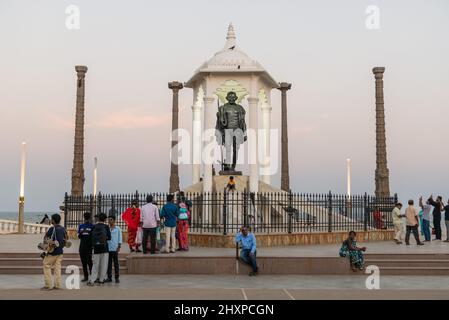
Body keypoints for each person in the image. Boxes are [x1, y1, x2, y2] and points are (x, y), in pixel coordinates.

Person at [41, 214, 67, 291]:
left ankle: (48, 285)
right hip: (60, 252)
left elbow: (45, 238)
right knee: (57, 268)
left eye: (51, 219)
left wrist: (47, 244)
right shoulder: (63, 229)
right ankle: (57, 285)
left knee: (46, 265)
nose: (51, 220)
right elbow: (66, 239)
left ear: (53, 220)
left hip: (52, 252)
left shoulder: (52, 229)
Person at [88, 213, 111, 286]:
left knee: (95, 265)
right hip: (104, 248)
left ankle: (92, 280)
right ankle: (101, 280)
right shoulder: (106, 226)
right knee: (103, 265)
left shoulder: (94, 226)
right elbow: (109, 237)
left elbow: (90, 237)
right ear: (105, 219)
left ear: (98, 219)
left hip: (96, 248)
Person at [77, 211, 94, 282]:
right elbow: (79, 236)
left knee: (89, 262)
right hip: (82, 247)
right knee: (84, 262)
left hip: (89, 247)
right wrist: (80, 233)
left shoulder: (92, 226)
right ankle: (86, 277)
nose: (86, 219)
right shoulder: (81, 226)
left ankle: (92, 276)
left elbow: (93, 237)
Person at [105, 215, 122, 284]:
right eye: (108, 220)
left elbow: (120, 238)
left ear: (114, 220)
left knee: (116, 264)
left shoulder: (118, 229)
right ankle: (109, 277)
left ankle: (117, 277)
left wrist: (119, 246)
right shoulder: (107, 228)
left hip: (115, 248)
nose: (109, 221)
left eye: (111, 219)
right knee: (108, 264)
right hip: (108, 248)